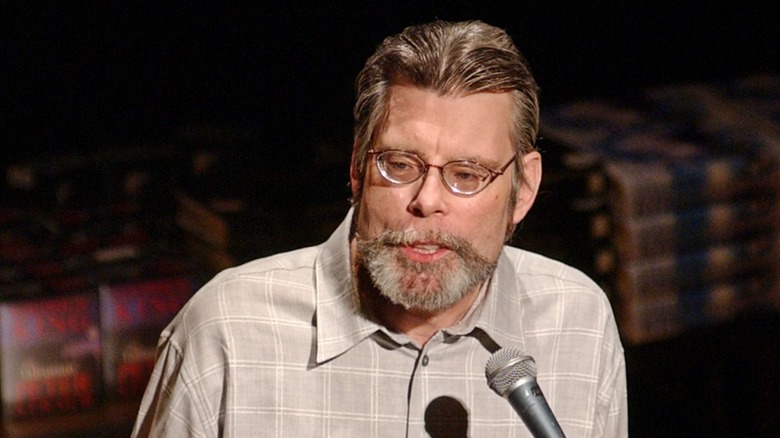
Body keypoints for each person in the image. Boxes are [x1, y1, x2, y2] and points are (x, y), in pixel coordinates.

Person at [132, 20, 627, 437]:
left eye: (467, 175)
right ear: (356, 168)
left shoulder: (579, 322)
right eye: (400, 164)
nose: (427, 201)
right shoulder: (227, 331)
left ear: (523, 189)